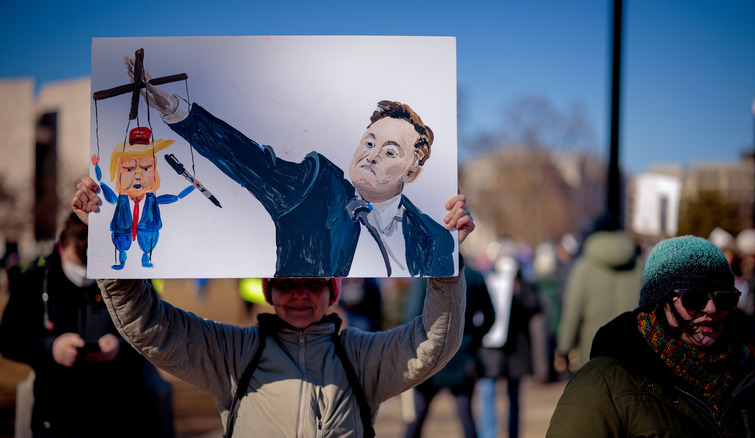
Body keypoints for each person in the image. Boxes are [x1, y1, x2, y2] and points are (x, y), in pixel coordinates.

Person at [73, 178, 474, 437]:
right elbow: (151, 327)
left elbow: (431, 342)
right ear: (268, 290)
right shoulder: (232, 354)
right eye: (286, 284)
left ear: (332, 292)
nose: (299, 294)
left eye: (314, 284)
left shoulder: (361, 357)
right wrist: (110, 252)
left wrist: (446, 263)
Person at [124, 57, 454, 277]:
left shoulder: (433, 237)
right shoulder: (313, 187)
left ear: (411, 173)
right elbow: (246, 158)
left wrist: (458, 257)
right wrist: (181, 113)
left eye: (390, 152)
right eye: (369, 142)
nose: (372, 155)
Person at [546, 236, 755, 437]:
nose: (711, 309)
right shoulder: (601, 385)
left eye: (725, 299)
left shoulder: (752, 380)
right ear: (659, 302)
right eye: (694, 299)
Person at [0, 213, 173, 438]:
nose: (84, 274)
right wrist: (50, 349)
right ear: (61, 245)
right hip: (55, 419)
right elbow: (8, 339)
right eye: (77, 263)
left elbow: (157, 334)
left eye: (91, 266)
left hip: (122, 417)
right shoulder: (35, 281)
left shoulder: (131, 280)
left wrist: (121, 348)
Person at [402, 264, 495, 438]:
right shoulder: (473, 275)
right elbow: (490, 316)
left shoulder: (425, 276)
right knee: (464, 417)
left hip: (431, 357)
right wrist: (472, 339)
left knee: (417, 418)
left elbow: (410, 317)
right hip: (459, 354)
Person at [92, 125, 195, 270]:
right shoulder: (119, 200)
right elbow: (103, 187)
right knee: (121, 239)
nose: (138, 176)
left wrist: (193, 186)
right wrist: (97, 168)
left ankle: (145, 258)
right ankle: (122, 260)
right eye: (128, 169)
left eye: (146, 168)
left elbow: (176, 197)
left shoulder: (152, 200)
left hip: (147, 233)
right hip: (122, 230)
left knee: (147, 243)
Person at [555, 213, 643, 369]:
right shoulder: (639, 265)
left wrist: (564, 348)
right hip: (631, 349)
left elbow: (573, 311)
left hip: (593, 351)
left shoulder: (583, 267)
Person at [476, 253, 540, 438]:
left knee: (513, 398)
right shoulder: (485, 282)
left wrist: (519, 292)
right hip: (489, 351)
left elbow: (534, 306)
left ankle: (514, 433)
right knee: (487, 394)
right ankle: (488, 434)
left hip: (515, 352)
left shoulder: (524, 287)